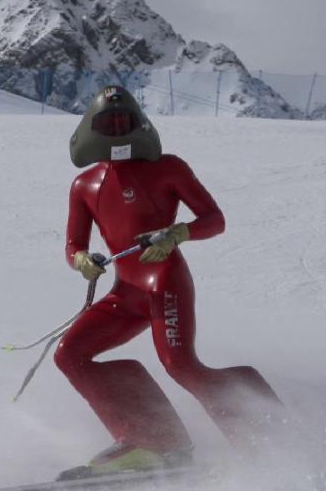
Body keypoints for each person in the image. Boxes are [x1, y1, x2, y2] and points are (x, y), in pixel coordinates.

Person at [55, 86, 280, 480]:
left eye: (124, 122)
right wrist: (81, 260)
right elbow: (74, 243)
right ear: (91, 130)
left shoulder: (168, 168)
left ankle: (265, 429)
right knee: (70, 354)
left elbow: (214, 219)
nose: (117, 131)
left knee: (181, 365)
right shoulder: (84, 185)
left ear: (140, 124)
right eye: (108, 125)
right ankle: (154, 441)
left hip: (165, 281)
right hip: (126, 291)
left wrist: (177, 234)